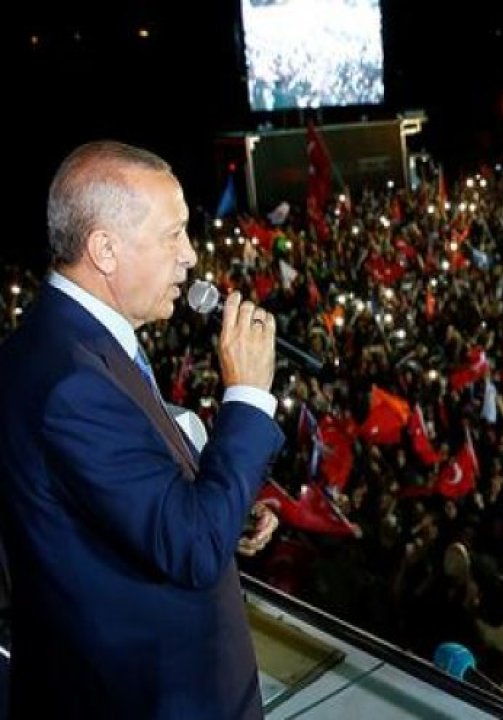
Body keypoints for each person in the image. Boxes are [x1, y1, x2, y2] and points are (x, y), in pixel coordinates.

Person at [0, 141, 283, 719]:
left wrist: (222, 511)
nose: (189, 256)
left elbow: (112, 509)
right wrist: (248, 396)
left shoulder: (65, 347)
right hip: (153, 698)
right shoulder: (71, 383)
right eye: (172, 234)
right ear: (105, 249)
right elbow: (191, 546)